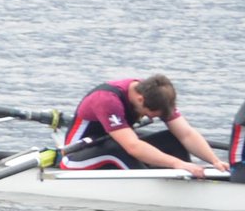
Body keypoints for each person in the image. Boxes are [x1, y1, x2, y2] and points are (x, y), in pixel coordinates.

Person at [59, 75, 229, 177]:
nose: (150, 117)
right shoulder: (107, 99)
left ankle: (187, 182)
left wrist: (215, 161)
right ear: (140, 100)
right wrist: (177, 163)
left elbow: (186, 134)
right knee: (117, 147)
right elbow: (133, 146)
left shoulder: (157, 96)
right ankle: (151, 189)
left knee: (173, 139)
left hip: (116, 148)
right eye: (150, 114)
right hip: (76, 157)